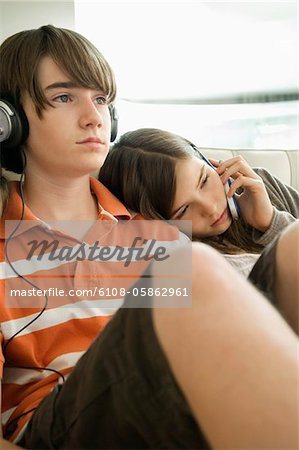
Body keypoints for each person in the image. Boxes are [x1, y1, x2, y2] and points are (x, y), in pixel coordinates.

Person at [0, 25, 298, 450]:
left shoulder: (149, 226)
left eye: (100, 99)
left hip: (174, 406)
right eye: (64, 97)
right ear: (7, 120)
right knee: (199, 271)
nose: (94, 117)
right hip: (60, 428)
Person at [99, 128, 299, 312]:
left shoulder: (258, 185)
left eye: (204, 180)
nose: (211, 209)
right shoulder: (190, 263)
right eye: (184, 210)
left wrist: (271, 220)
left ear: (207, 160)